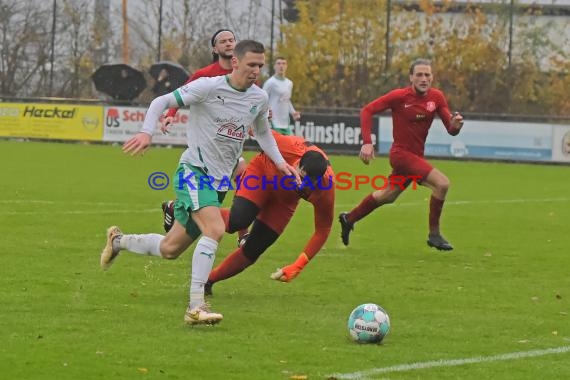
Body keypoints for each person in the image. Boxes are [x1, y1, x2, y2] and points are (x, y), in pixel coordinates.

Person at [100, 40, 299, 326]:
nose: (256, 70)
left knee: (170, 249)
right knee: (216, 228)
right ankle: (195, 306)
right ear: (235, 63)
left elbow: (263, 132)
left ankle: (118, 241)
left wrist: (281, 164)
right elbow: (161, 101)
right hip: (193, 172)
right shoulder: (208, 87)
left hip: (217, 185)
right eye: (251, 65)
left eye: (260, 65)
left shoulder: (258, 98)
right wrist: (147, 132)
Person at [338, 58, 464, 251]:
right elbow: (367, 110)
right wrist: (367, 142)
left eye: (427, 75)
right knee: (442, 183)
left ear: (432, 77)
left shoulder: (437, 98)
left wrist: (455, 126)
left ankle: (349, 218)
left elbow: (451, 128)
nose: (424, 78)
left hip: (416, 157)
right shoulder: (399, 96)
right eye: (419, 75)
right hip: (401, 155)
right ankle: (434, 234)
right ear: (411, 77)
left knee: (387, 196)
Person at [205, 130, 335, 294]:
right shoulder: (287, 146)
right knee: (238, 221)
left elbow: (323, 230)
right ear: (297, 163)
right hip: (262, 174)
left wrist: (298, 265)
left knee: (254, 249)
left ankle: (207, 282)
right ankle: (187, 209)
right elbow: (260, 129)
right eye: (300, 177)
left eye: (308, 185)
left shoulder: (326, 188)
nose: (301, 185)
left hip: (284, 200)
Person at [160, 29, 236, 131]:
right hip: (207, 132)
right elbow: (181, 94)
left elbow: (255, 99)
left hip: (234, 132)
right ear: (215, 49)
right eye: (223, 41)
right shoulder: (204, 74)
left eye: (231, 40)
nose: (228, 44)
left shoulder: (246, 73)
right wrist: (170, 114)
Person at [262, 57, 301, 135]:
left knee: (289, 146)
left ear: (286, 66)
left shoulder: (289, 83)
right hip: (273, 122)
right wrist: (266, 113)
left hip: (285, 123)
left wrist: (293, 112)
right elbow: (262, 99)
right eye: (279, 63)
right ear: (274, 66)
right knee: (275, 146)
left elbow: (286, 99)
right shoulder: (270, 82)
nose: (281, 66)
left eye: (283, 63)